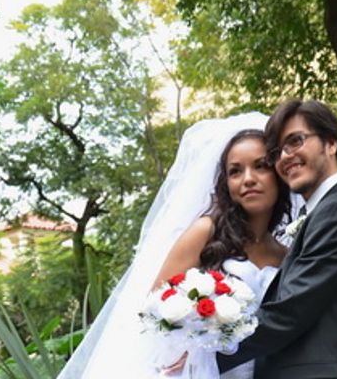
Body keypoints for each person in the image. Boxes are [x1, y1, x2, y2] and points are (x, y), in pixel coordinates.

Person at [57, 112, 294, 379]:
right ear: (226, 183)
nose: (248, 179)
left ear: (278, 173)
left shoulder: (285, 253)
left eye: (260, 166)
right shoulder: (206, 231)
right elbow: (154, 307)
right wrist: (188, 342)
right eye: (235, 171)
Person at [217, 100, 337, 379]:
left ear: (330, 143)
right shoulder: (324, 210)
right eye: (278, 151)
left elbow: (291, 312)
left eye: (296, 141)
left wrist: (206, 355)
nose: (285, 157)